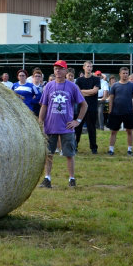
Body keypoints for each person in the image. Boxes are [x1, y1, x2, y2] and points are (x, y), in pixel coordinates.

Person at [39, 60, 88, 188]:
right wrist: (40, 123)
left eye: (60, 69)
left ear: (66, 71)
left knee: (69, 154)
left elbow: (84, 105)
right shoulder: (48, 86)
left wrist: (77, 121)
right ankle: (47, 179)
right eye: (56, 69)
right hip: (50, 126)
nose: (58, 71)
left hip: (67, 127)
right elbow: (44, 106)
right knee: (48, 154)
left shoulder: (72, 86)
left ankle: (72, 179)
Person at [107, 67, 133, 156]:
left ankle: (129, 150)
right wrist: (110, 110)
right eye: (123, 73)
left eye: (126, 73)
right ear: (120, 74)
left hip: (128, 112)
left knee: (129, 131)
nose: (125, 75)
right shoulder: (115, 85)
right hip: (116, 112)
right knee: (113, 132)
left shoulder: (132, 85)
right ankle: (111, 150)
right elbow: (111, 98)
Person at [75, 61, 100, 154]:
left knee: (91, 128)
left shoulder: (96, 79)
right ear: (84, 67)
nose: (89, 68)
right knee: (77, 128)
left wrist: (82, 91)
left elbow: (94, 91)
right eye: (88, 66)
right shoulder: (79, 80)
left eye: (91, 66)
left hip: (92, 108)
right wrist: (89, 91)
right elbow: (77, 93)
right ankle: (75, 146)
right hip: (81, 107)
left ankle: (94, 148)